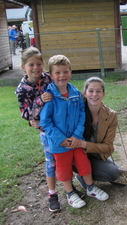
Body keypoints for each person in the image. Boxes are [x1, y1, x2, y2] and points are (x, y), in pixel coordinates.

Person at [15, 47, 85, 212]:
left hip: (64, 126)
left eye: (38, 63)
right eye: (31, 64)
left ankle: (70, 188)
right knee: (51, 162)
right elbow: (25, 113)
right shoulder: (22, 89)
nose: (36, 68)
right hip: (47, 132)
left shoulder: (49, 78)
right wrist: (39, 101)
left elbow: (64, 88)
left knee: (67, 158)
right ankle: (52, 194)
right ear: (23, 67)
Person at [40, 55, 109, 209]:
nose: (62, 76)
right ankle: (70, 193)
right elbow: (45, 122)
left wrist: (76, 136)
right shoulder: (49, 96)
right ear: (51, 75)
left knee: (83, 163)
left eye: (65, 72)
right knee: (63, 168)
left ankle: (90, 187)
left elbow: (81, 117)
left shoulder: (76, 94)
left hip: (75, 141)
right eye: (57, 73)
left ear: (70, 72)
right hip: (59, 144)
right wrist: (61, 139)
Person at [74, 77, 120, 188]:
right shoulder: (76, 112)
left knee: (118, 176)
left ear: (103, 94)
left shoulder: (111, 115)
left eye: (98, 91)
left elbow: (108, 147)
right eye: (91, 91)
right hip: (78, 156)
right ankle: (82, 175)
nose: (94, 94)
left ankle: (86, 174)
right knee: (112, 173)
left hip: (96, 155)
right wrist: (34, 121)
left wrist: (84, 144)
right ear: (85, 93)